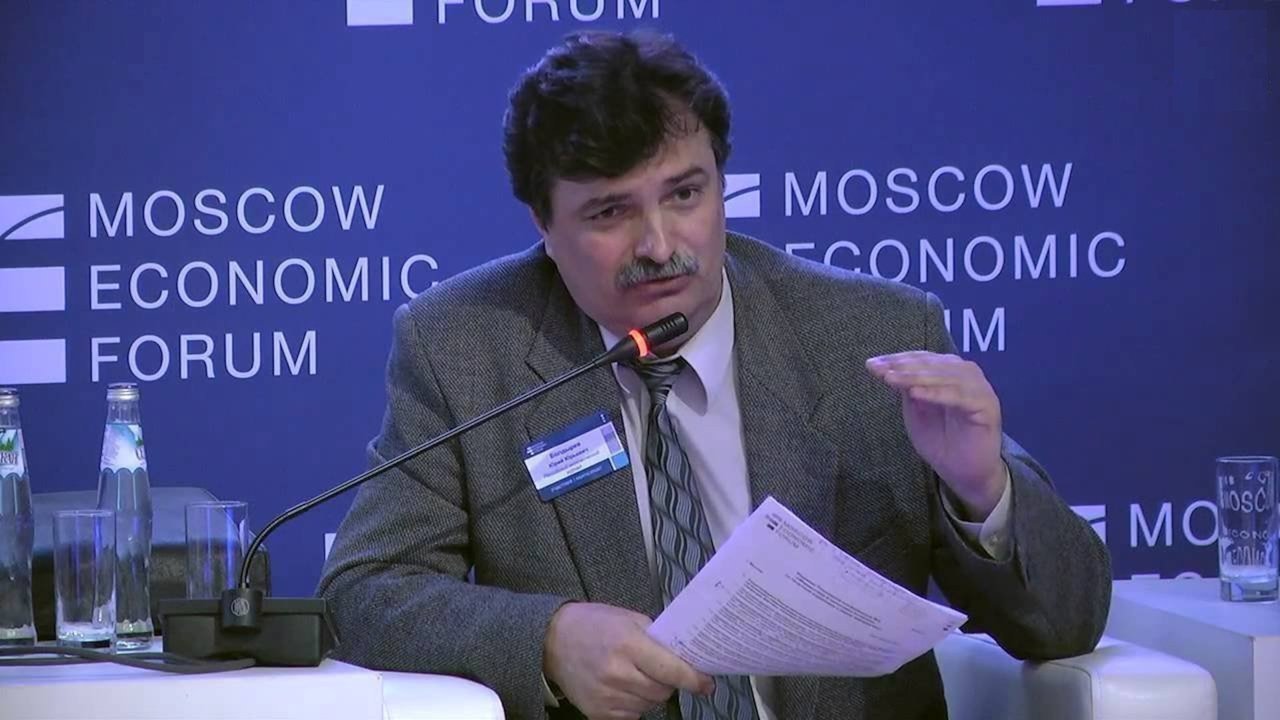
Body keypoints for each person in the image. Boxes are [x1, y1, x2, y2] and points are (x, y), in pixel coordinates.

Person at [317, 29, 1112, 720]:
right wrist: (549, 639)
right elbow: (363, 591)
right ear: (542, 223)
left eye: (685, 194)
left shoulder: (872, 340)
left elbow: (1066, 623)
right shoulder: (465, 347)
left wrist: (983, 492)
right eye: (610, 212)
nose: (660, 244)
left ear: (722, 183)